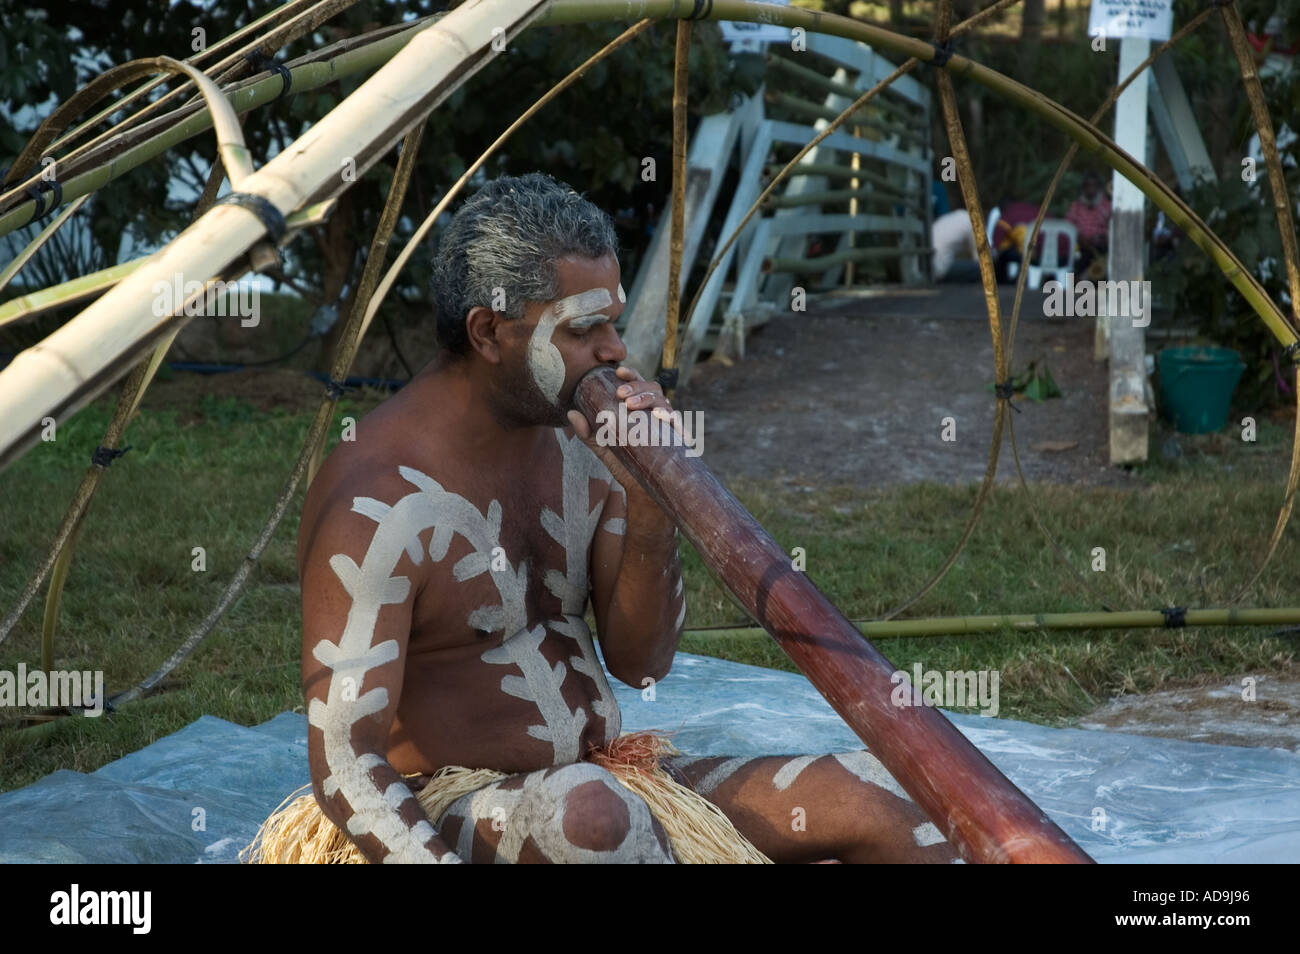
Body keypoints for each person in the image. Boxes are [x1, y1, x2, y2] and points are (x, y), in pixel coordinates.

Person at [249, 173, 958, 864]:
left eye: (613, 321)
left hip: (612, 783)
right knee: (591, 817)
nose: (615, 350)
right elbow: (345, 757)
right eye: (584, 328)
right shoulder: (375, 497)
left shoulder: (577, 444)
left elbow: (641, 662)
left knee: (890, 792)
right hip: (448, 812)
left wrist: (652, 502)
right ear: (490, 332)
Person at [1066, 172, 1111, 274]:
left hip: (1100, 247)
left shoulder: (1106, 206)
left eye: (1093, 185)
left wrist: (1099, 237)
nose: (1090, 189)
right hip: (1079, 246)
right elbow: (1068, 227)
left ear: (1099, 188)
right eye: (1087, 185)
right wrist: (1080, 238)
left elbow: (1111, 228)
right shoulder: (1076, 206)